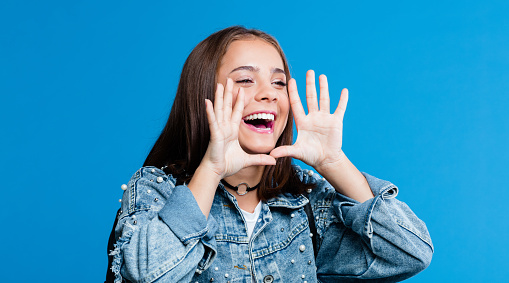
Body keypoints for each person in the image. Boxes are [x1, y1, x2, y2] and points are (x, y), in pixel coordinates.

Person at [108, 26, 433, 283]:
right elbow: (148, 275)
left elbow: (410, 253)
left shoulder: (306, 200)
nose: (268, 93)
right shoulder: (156, 188)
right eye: (246, 79)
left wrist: (334, 163)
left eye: (279, 83)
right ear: (204, 94)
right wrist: (211, 167)